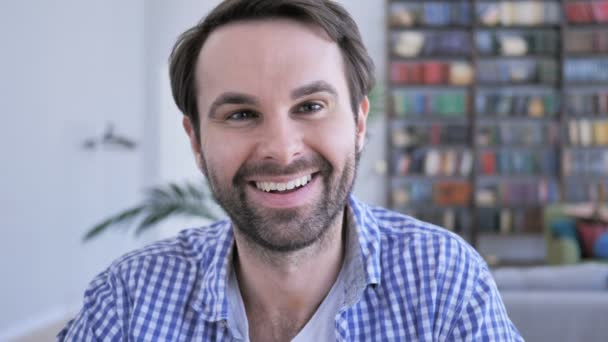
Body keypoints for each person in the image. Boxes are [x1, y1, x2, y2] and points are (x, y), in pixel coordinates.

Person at [59, 0, 523, 340]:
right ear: (196, 140)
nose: (282, 151)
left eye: (311, 105)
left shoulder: (442, 279)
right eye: (240, 114)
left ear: (359, 123)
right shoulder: (130, 298)